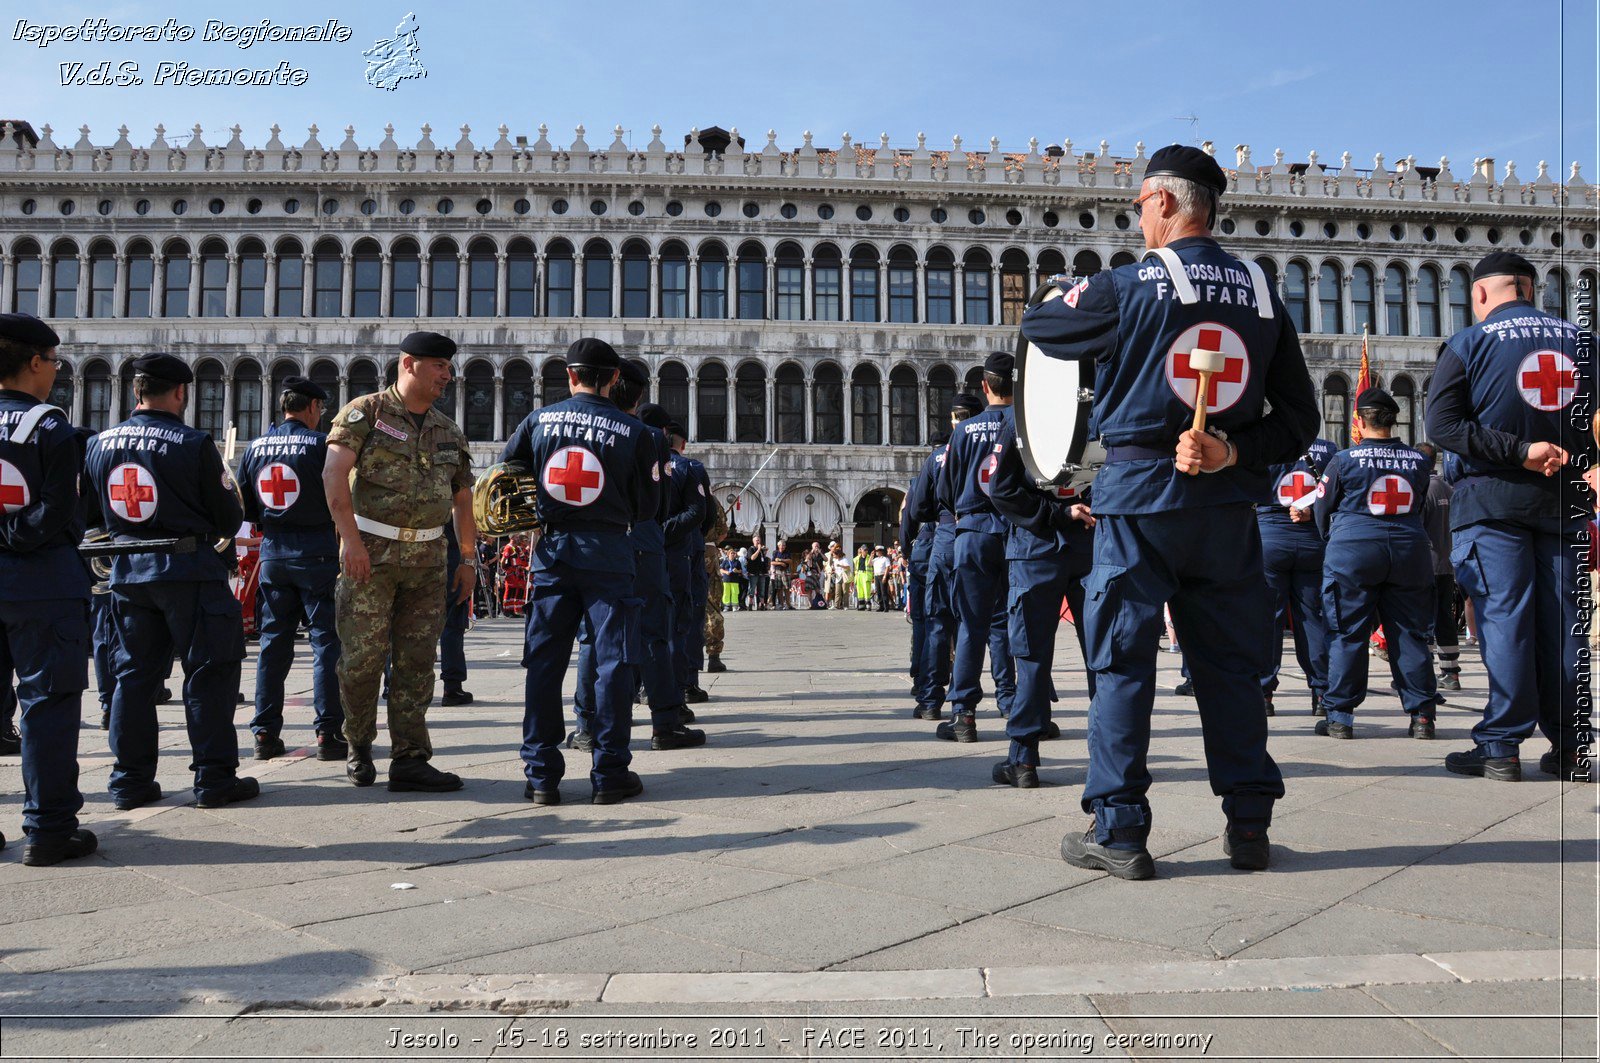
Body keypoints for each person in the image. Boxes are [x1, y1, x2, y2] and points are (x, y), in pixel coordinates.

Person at [1021, 144, 1319, 878]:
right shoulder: (1259, 289)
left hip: (1139, 505)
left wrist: (1073, 294)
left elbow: (1042, 330)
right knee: (1231, 670)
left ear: (1163, 202)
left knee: (1122, 666)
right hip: (1225, 509)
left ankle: (1120, 830)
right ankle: (1248, 826)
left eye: (1140, 203)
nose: (1137, 216)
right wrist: (1232, 452)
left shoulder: (1129, 285)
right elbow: (1301, 421)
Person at [1425, 250, 1595, 782]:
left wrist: (1520, 450)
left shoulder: (1469, 343)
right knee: (1567, 625)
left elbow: (1442, 427)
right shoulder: (1584, 344)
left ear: (1479, 294)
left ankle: (1501, 744)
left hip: (1493, 503)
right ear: (1531, 287)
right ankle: (1569, 746)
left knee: (1506, 620)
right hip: (1565, 504)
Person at [86, 353, 259, 812]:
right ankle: (214, 779)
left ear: (136, 390)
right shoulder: (191, 442)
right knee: (208, 674)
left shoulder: (100, 443)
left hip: (127, 573)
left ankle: (129, 782)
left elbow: (88, 514)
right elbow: (229, 515)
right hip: (188, 571)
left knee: (134, 678)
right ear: (181, 392)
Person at [500, 338, 661, 805]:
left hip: (552, 552)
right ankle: (610, 772)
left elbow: (508, 474)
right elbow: (649, 507)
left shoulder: (538, 419)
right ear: (613, 379)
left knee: (544, 663)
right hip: (609, 550)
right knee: (614, 662)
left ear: (569, 375)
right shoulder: (637, 433)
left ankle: (542, 775)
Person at [323, 331, 475, 793]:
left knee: (415, 661)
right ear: (408, 364)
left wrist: (468, 557)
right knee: (363, 659)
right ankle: (359, 743)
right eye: (439, 366)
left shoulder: (447, 429)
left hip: (429, 560)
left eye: (449, 368)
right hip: (371, 557)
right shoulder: (365, 413)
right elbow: (333, 474)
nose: (448, 375)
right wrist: (350, 543)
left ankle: (410, 757)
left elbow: (463, 497)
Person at [0, 313, 95, 863]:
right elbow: (61, 512)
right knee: (47, 706)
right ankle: (49, 828)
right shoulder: (50, 426)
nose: (56, 372)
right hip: (40, 581)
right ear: (33, 362)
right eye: (54, 362)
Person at [1297, 389, 1438, 739]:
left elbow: (1321, 507)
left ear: (1358, 421)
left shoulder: (1343, 460)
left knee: (1346, 631)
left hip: (1354, 548)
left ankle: (1340, 716)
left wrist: (1335, 541)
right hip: (1408, 547)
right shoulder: (1420, 461)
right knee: (1410, 632)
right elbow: (1420, 504)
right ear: (1395, 419)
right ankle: (1421, 715)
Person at [570, 390, 703, 755]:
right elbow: (660, 501)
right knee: (654, 636)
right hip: (644, 543)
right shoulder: (652, 441)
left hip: (602, 544)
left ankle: (588, 725)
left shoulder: (591, 432)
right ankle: (664, 722)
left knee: (595, 638)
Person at [239, 376, 345, 762]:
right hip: (316, 551)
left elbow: (247, 509)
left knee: (273, 645)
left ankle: (265, 732)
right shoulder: (321, 445)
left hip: (273, 554)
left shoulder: (255, 446)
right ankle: (328, 733)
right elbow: (337, 497)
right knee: (325, 644)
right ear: (313, 407)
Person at [987, 419, 1094, 787]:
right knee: (1104, 659)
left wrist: (1053, 514)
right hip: (1092, 544)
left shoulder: (1026, 410)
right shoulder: (1103, 403)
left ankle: (1023, 759)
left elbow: (1000, 487)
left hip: (1036, 549)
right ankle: (1114, 758)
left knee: (1031, 658)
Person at [932, 351, 1018, 743]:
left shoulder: (963, 432)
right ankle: (1015, 702)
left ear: (984, 387)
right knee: (1010, 623)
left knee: (971, 624)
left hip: (972, 532)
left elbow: (945, 490)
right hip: (1017, 532)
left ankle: (964, 714)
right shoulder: (1026, 427)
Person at [1256, 436, 1336, 715]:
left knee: (1269, 619)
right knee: (1312, 618)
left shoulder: (1266, 443)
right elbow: (1336, 493)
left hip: (1270, 535)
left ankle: (1264, 694)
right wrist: (1311, 509)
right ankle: (1323, 694)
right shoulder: (1328, 450)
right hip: (1312, 538)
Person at [663, 422, 707, 701]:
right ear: (682, 444)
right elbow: (705, 514)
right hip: (685, 549)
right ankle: (686, 682)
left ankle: (639, 686)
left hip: (643, 548)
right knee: (686, 616)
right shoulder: (691, 468)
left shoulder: (639, 463)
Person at [1415, 443, 1461, 692]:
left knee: (1422, 619)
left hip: (1425, 564)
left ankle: (1422, 674)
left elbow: (1416, 529)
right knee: (1445, 617)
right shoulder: (1449, 488)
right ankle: (1451, 671)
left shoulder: (1422, 490)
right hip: (1447, 562)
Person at [438, 522, 473, 706]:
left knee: (402, 621)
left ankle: (392, 685)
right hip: (448, 549)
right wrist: (468, 560)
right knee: (452, 620)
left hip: (408, 549)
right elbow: (460, 508)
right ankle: (452, 686)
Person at [746, 538, 770, 611]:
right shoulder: (751, 549)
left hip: (761, 573)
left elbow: (763, 560)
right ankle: (750, 604)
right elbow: (752, 558)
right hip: (753, 573)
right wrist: (759, 549)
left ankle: (761, 604)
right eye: (757, 540)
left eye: (759, 540)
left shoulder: (761, 551)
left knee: (761, 589)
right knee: (752, 589)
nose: (758, 541)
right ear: (753, 541)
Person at [768, 538, 790, 608]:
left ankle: (788, 604)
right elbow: (772, 562)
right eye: (782, 545)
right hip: (777, 572)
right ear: (778, 546)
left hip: (785, 571)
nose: (783, 546)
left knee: (787, 588)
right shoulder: (775, 552)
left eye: (784, 545)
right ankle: (781, 604)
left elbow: (790, 561)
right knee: (779, 588)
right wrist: (780, 563)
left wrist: (781, 559)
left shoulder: (787, 552)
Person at [853, 544, 873, 610]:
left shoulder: (869, 557)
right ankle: (861, 605)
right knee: (860, 590)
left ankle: (868, 605)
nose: (865, 551)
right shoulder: (857, 558)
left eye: (866, 550)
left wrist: (871, 557)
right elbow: (854, 567)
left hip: (866, 575)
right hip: (859, 574)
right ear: (861, 550)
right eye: (864, 550)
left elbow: (870, 564)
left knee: (867, 590)